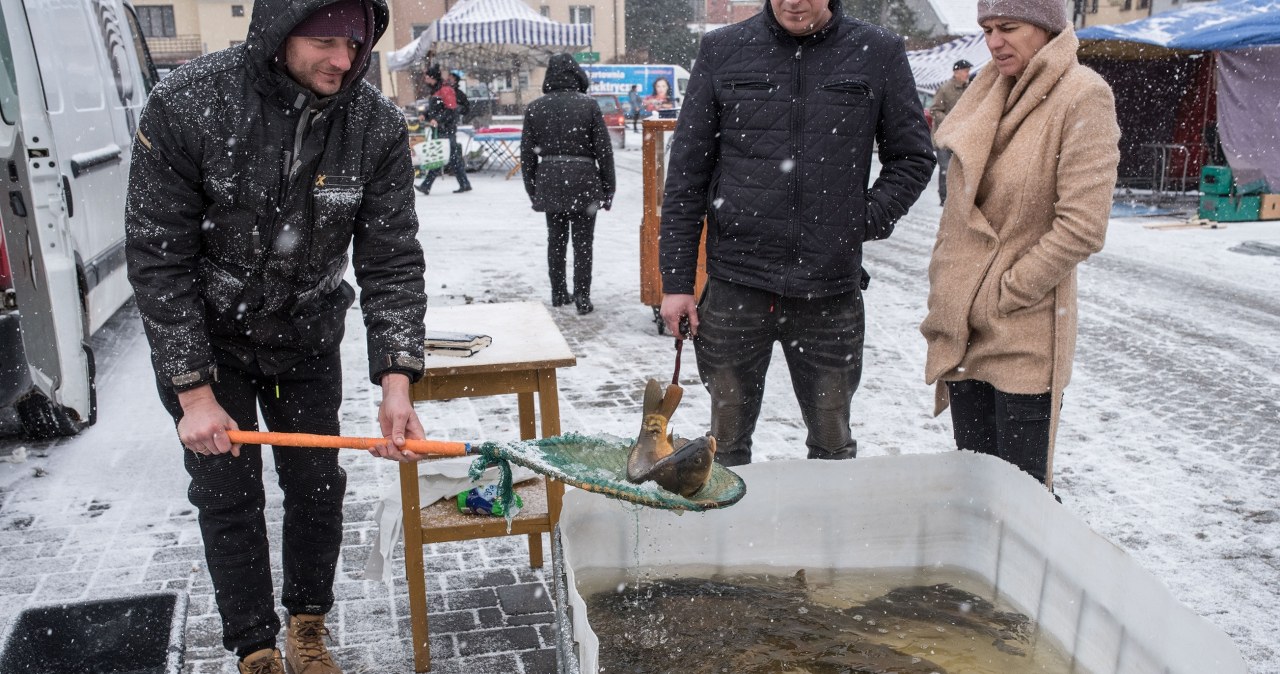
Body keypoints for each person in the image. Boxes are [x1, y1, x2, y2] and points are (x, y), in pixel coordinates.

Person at [124, 0, 429, 672]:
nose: (343, 61)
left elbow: (392, 260)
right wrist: (193, 393)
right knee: (228, 496)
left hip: (307, 334)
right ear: (280, 32)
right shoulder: (190, 103)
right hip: (211, 344)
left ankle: (307, 626)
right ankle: (255, 647)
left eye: (355, 45)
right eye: (325, 42)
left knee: (317, 488)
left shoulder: (372, 124)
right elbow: (157, 255)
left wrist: (397, 381)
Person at [659, 0, 935, 467]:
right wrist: (677, 283)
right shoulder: (722, 49)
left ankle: (828, 516)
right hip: (737, 283)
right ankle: (732, 516)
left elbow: (912, 158)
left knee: (832, 442)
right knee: (725, 446)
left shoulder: (877, 51)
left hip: (829, 291)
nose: (793, 2)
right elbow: (687, 175)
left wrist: (861, 220)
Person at [919, 0, 1120, 489]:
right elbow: (960, 213)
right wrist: (952, 289)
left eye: (1007, 27)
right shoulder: (985, 92)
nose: (993, 42)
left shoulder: (1083, 96)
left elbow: (1082, 226)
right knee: (975, 493)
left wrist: (1006, 292)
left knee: (1021, 498)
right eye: (987, 29)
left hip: (1023, 334)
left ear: (1045, 27)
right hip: (963, 329)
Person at [521, 53, 616, 315]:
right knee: (584, 243)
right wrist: (609, 189)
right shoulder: (588, 106)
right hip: (584, 180)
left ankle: (558, 292)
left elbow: (527, 155)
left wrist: (533, 189)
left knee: (556, 240)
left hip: (550, 180)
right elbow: (604, 152)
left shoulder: (535, 107)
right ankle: (583, 296)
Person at [416, 64, 471, 194]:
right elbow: (436, 109)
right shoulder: (437, 90)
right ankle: (464, 184)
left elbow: (451, 110)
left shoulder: (445, 90)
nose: (425, 80)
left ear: (432, 77)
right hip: (441, 128)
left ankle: (426, 185)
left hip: (447, 128)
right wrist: (425, 115)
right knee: (448, 157)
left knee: (441, 156)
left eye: (426, 77)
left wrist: (438, 120)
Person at [929, 59, 972, 205]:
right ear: (956, 72)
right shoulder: (945, 89)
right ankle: (944, 198)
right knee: (945, 168)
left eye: (968, 71)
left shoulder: (970, 89)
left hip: (961, 138)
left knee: (960, 170)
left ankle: (957, 200)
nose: (967, 74)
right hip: (944, 138)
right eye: (965, 71)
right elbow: (934, 110)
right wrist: (950, 121)